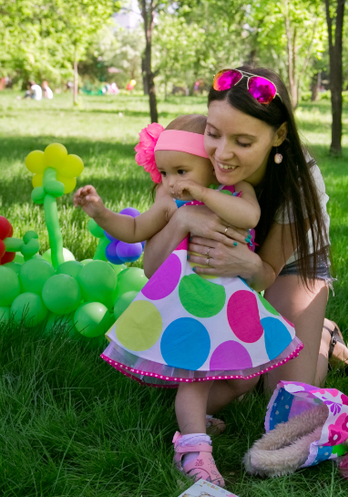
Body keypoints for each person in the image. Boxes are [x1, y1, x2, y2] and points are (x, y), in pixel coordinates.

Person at [74, 113, 301, 488]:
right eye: (164, 173)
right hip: (191, 305)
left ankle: (194, 417)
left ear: (213, 163)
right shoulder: (169, 200)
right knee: (197, 377)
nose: (171, 182)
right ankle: (194, 450)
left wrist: (203, 196)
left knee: (244, 378)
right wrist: (100, 211)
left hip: (232, 302)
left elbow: (251, 215)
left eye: (182, 170)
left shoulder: (236, 190)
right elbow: (134, 229)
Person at [141, 66, 339, 466]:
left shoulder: (301, 182)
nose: (222, 154)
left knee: (284, 394)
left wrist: (245, 263)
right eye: (214, 134)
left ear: (278, 136)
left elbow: (266, 271)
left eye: (244, 141)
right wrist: (181, 219)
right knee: (195, 378)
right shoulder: (189, 159)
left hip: (287, 265)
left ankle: (323, 336)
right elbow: (152, 269)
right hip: (227, 264)